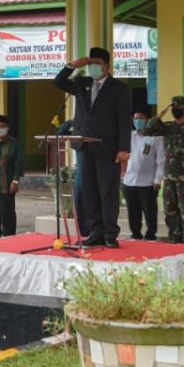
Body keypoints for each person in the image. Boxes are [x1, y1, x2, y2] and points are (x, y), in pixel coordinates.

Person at [53, 46, 132, 248]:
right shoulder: (82, 83)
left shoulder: (119, 88)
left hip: (108, 148)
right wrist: (73, 65)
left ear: (107, 65)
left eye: (97, 64)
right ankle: (95, 231)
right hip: (84, 146)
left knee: (108, 191)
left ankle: (110, 234)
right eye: (91, 63)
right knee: (88, 191)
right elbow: (58, 82)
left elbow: (124, 120)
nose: (94, 68)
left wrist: (124, 149)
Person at [148, 95, 184, 245]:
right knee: (170, 211)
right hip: (169, 177)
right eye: (173, 108)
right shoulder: (168, 127)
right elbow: (147, 130)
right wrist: (160, 114)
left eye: (178, 108)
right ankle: (174, 239)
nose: (175, 111)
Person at [123, 105, 164, 240]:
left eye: (141, 118)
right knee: (132, 212)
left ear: (147, 120)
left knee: (150, 212)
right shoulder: (129, 136)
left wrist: (158, 180)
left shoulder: (156, 139)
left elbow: (160, 162)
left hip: (147, 183)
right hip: (129, 181)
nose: (137, 120)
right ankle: (135, 234)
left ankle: (151, 235)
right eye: (135, 118)